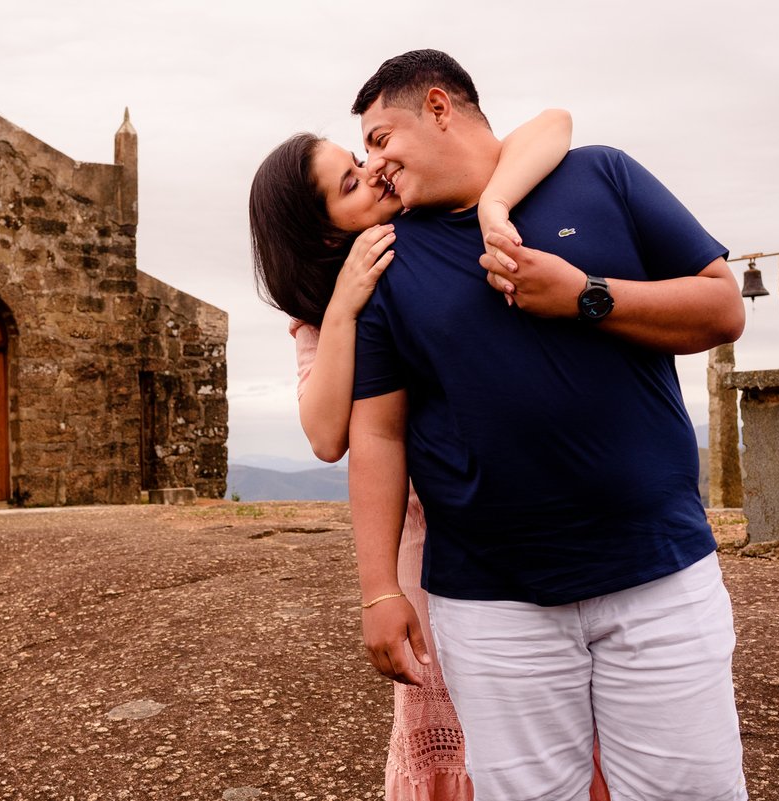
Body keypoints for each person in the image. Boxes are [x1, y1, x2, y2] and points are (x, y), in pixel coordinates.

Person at [346, 49, 748, 801]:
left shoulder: (600, 175)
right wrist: (378, 589)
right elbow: (378, 432)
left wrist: (585, 295)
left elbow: (723, 309)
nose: (373, 166)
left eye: (379, 137)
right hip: (491, 603)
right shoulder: (389, 256)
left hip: (660, 574)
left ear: (439, 107)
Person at [250, 113, 610, 800]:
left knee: (552, 721)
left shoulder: (436, 212)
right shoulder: (327, 310)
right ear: (327, 234)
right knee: (453, 718)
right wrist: (347, 307)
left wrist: (497, 202)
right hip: (426, 538)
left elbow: (553, 126)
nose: (375, 174)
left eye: (361, 158)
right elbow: (327, 435)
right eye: (352, 183)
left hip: (521, 511)